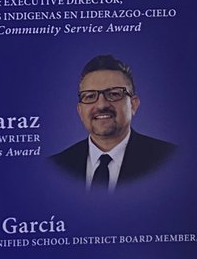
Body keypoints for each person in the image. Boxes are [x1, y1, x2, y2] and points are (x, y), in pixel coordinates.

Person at [50, 55, 175, 190]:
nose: (101, 105)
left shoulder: (168, 160)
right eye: (90, 96)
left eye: (114, 94)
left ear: (133, 104)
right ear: (80, 111)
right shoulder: (56, 165)